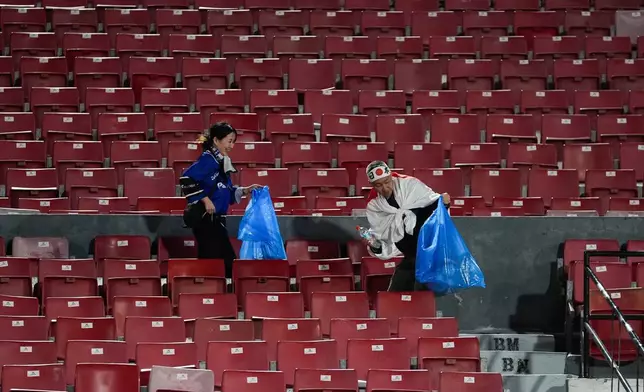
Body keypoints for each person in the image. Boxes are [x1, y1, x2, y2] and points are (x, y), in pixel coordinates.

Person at [180, 122, 261, 278]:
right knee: (223, 263)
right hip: (206, 221)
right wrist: (205, 199)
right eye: (229, 141)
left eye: (233, 142)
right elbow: (186, 178)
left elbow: (226, 192)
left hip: (216, 221)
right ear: (216, 141)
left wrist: (245, 190)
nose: (231, 145)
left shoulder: (222, 162)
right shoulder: (208, 159)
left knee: (215, 264)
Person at [364, 160, 451, 292]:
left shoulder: (410, 184)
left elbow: (433, 205)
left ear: (391, 176)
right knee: (395, 298)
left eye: (387, 182)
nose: (385, 188)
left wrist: (443, 204)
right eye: (379, 185)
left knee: (423, 296)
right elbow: (383, 237)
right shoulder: (374, 206)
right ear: (372, 185)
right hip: (410, 253)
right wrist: (376, 248)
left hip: (428, 249)